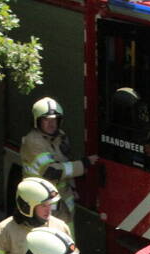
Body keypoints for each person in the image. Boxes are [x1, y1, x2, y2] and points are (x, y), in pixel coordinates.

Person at [20, 97, 98, 226]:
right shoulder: (33, 142)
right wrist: (84, 164)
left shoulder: (59, 136)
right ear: (37, 121)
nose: (52, 124)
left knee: (67, 238)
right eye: (46, 120)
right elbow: (52, 171)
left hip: (63, 203)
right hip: (42, 204)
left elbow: (66, 162)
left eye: (55, 120)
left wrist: (73, 187)